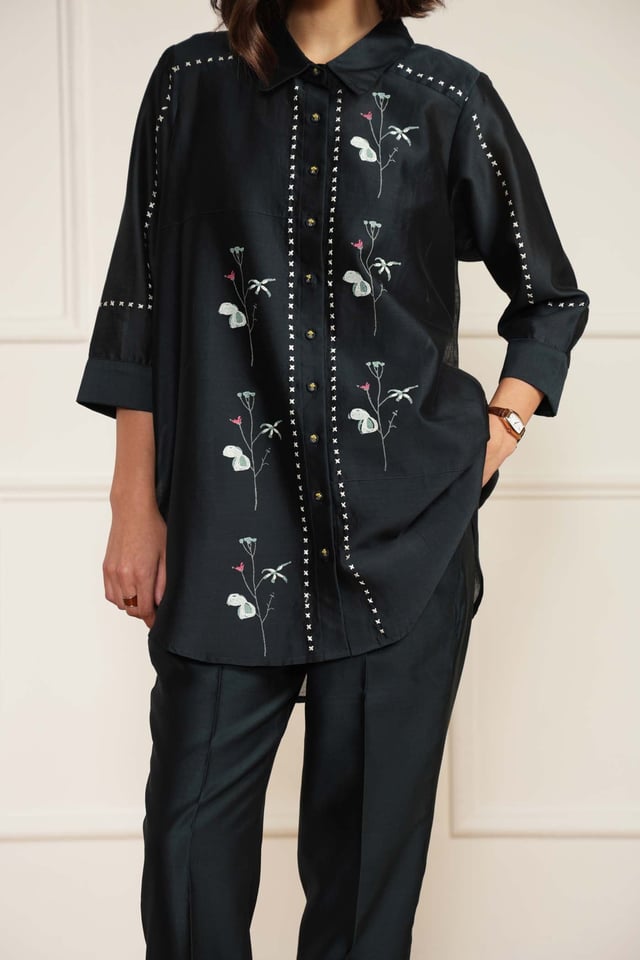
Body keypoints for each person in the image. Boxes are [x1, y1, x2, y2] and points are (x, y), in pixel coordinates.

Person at [75, 0, 589, 956]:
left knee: (362, 909)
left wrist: (497, 432)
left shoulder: (445, 99)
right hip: (226, 540)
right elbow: (137, 304)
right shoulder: (192, 85)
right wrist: (130, 505)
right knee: (187, 876)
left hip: (407, 546)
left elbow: (549, 298)